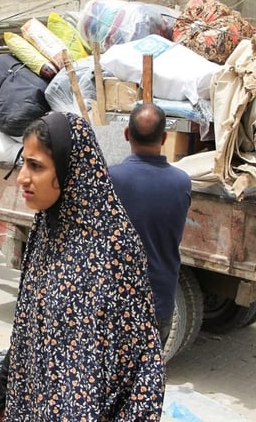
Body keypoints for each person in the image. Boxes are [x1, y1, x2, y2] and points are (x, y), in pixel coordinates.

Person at [0, 112, 165, 421]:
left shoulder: (113, 247)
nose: (23, 177)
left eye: (36, 166)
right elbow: (27, 329)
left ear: (71, 172)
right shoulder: (45, 229)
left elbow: (143, 365)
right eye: (23, 163)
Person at [109, 103, 192, 345]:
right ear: (165, 137)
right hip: (159, 304)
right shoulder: (181, 183)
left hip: (115, 305)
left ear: (126, 134)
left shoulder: (110, 179)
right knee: (147, 379)